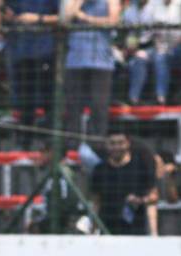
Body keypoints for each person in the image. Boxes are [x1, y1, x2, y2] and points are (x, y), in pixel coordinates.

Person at [1, 0, 59, 148]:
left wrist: (37, 18)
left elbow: (62, 18)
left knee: (49, 102)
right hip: (21, 53)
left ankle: (50, 145)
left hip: (45, 52)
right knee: (25, 103)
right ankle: (25, 144)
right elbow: (5, 15)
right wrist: (8, 15)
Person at [63, 0, 119, 147]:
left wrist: (85, 18)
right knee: (73, 105)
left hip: (101, 62)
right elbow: (64, 19)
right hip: (75, 61)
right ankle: (72, 144)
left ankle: (97, 145)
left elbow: (113, 21)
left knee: (98, 105)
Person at [89, 129, 159, 235]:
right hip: (107, 231)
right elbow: (96, 202)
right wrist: (92, 231)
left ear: (128, 143)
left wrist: (140, 200)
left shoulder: (140, 166)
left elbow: (154, 196)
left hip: (136, 231)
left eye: (120, 143)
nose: (117, 147)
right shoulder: (99, 170)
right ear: (106, 145)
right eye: (112, 143)